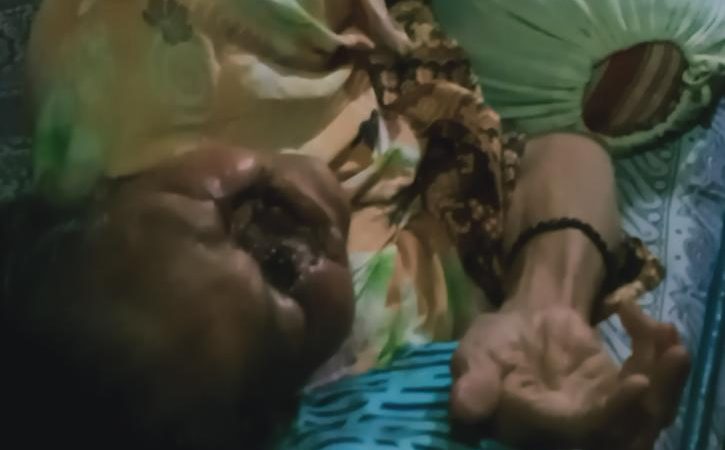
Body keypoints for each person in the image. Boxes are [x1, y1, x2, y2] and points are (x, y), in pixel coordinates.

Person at [2, 0, 690, 449]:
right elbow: (566, 154)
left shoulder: (141, 53)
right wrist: (544, 300)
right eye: (279, 271)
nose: (294, 222)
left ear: (101, 190)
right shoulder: (399, 330)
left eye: (234, 209)